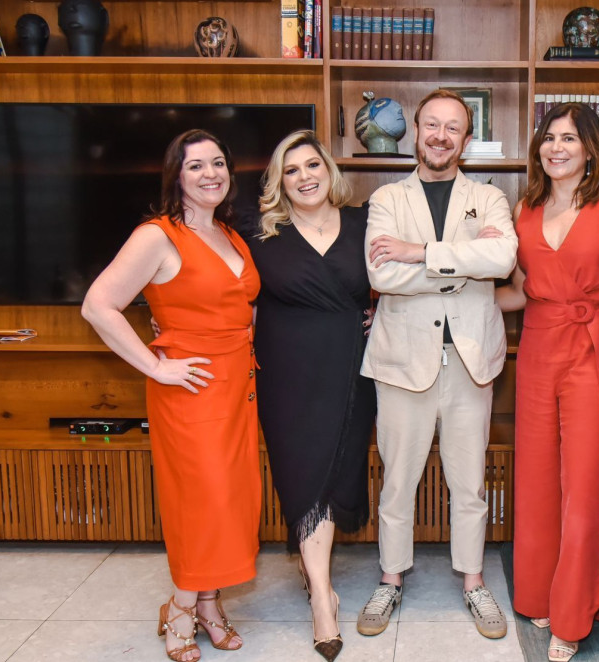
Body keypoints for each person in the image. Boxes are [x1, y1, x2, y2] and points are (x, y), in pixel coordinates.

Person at [82, 129, 260, 662]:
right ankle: (182, 606)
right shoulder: (157, 235)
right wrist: (156, 367)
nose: (210, 174)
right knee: (200, 503)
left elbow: (240, 307)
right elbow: (98, 306)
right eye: (195, 165)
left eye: (218, 163)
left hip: (239, 387)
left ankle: (209, 603)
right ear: (176, 176)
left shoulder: (230, 235)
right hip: (190, 390)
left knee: (229, 501)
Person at [357, 88, 518, 640]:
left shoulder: (489, 197)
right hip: (403, 362)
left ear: (466, 139)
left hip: (470, 361)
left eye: (453, 127)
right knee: (398, 481)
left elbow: (502, 258)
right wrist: (464, 266)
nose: (441, 136)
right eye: (432, 125)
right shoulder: (387, 199)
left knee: (468, 483)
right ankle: (390, 578)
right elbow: (381, 274)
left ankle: (473, 581)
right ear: (416, 132)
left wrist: (418, 254)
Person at [495, 102, 599, 662]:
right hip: (539, 348)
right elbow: (518, 291)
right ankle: (541, 594)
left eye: (569, 138)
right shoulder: (524, 208)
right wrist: (449, 300)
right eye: (549, 138)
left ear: (590, 147)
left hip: (596, 348)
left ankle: (573, 614)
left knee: (585, 485)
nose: (556, 147)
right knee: (538, 479)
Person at [246, 130, 376, 662]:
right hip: (287, 374)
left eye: (312, 165)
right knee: (302, 475)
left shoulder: (365, 222)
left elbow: (398, 275)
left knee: (335, 472)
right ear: (279, 182)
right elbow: (228, 293)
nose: (304, 177)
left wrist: (384, 311)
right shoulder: (259, 234)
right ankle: (324, 598)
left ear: (329, 170)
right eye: (291, 170)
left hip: (350, 369)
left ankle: (315, 576)